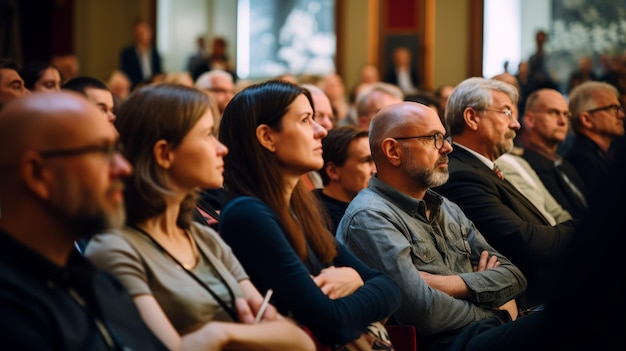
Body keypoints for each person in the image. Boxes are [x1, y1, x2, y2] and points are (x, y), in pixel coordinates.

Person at [84, 84, 316, 351]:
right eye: (207, 136)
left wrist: (220, 334)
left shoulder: (204, 238)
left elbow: (299, 340)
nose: (222, 149)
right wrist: (252, 334)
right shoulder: (116, 249)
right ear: (164, 153)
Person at [218, 80, 402, 348]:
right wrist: (362, 284)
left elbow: (391, 288)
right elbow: (332, 323)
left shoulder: (297, 208)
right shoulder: (247, 214)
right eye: (306, 120)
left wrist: (358, 278)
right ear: (267, 137)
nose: (321, 131)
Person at [336, 101, 527, 351]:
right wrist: (497, 310)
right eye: (434, 138)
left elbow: (514, 276)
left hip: (484, 334)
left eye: (444, 137)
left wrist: (453, 284)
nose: (447, 147)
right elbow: (426, 313)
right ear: (393, 151)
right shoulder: (370, 217)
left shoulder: (445, 206)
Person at [0, 91, 167, 350]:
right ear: (37, 174)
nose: (125, 167)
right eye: (102, 151)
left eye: (118, 150)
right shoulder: (10, 308)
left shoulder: (96, 278)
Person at [434, 77, 578, 310]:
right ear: (472, 118)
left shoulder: (480, 167)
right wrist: (587, 228)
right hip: (529, 304)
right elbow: (525, 241)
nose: (516, 124)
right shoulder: (461, 174)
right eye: (506, 112)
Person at [521, 88, 589, 219]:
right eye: (553, 112)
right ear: (530, 120)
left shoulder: (565, 163)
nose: (563, 122)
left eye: (566, 114)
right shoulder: (527, 166)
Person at [565, 81, 625, 194]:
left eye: (620, 108)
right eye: (613, 108)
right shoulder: (581, 159)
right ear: (586, 120)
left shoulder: (612, 151)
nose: (621, 115)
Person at [315, 125, 375, 234]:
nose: (375, 170)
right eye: (366, 161)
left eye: (376, 160)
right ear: (333, 171)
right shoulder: (326, 220)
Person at [119, 20, 163, 90]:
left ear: (150, 34)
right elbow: (126, 77)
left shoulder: (155, 53)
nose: (141, 36)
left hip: (154, 89)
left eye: (143, 33)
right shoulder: (127, 54)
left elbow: (158, 73)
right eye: (138, 34)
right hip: (136, 90)